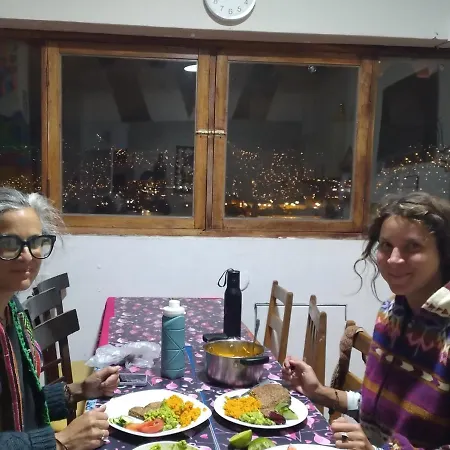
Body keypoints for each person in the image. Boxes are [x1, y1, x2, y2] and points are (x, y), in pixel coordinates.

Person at [282, 192, 450, 450]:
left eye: (413, 246)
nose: (394, 259)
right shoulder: (391, 313)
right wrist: (318, 391)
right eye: (386, 245)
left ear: (444, 253)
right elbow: (377, 409)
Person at [0, 187, 120, 450]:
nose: (27, 256)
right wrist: (59, 441)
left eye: (35, 242)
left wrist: (79, 390)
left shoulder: (12, 310)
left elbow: (21, 403)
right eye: (8, 244)